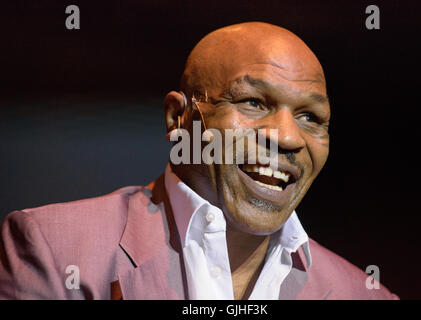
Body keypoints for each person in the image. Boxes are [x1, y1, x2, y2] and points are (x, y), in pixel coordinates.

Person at [0, 22, 398, 300]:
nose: (288, 137)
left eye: (310, 117)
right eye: (254, 103)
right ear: (178, 119)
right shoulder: (55, 248)